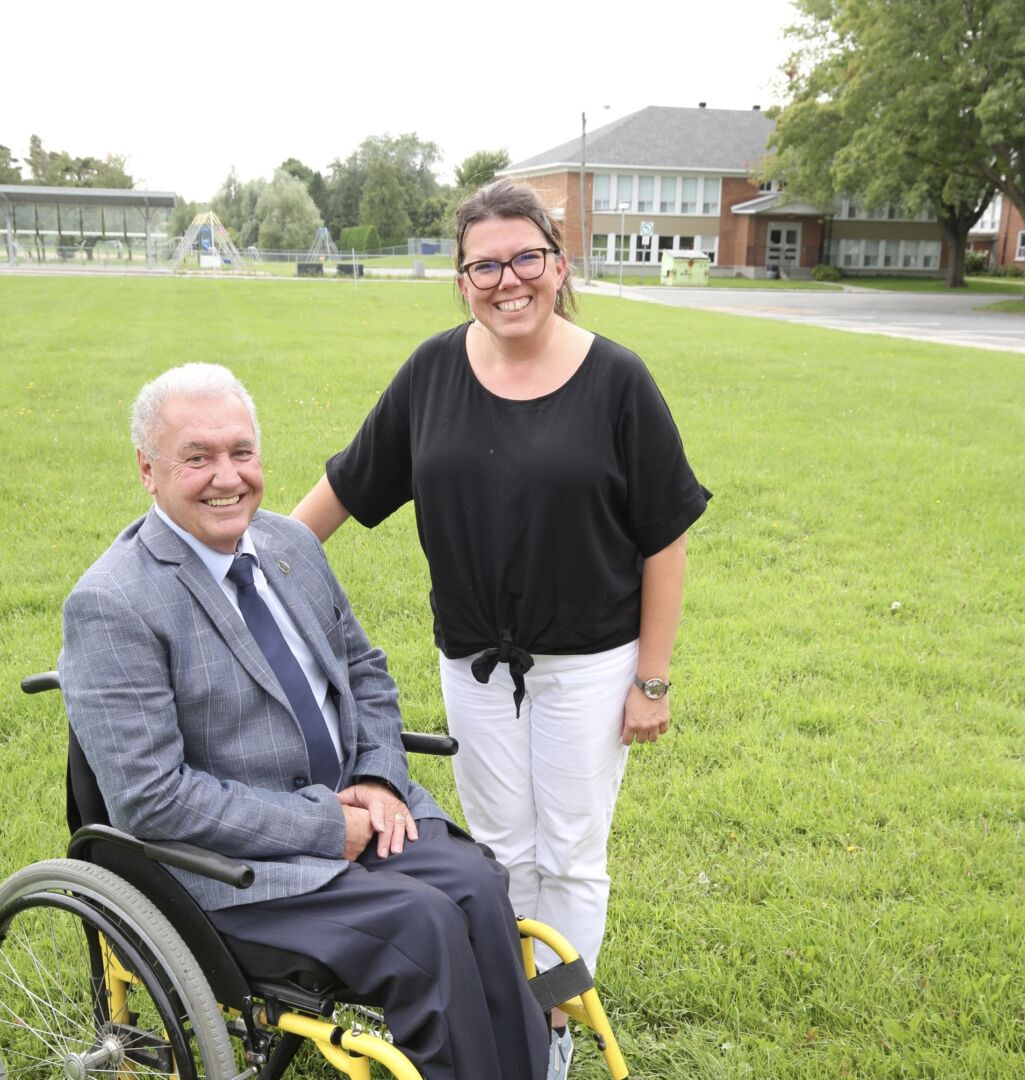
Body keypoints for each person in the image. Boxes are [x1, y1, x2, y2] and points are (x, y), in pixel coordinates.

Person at [292, 180, 711, 1078]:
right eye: (484, 264)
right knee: (498, 854)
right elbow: (342, 493)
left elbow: (663, 542)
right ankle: (513, 1016)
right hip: (474, 667)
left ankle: (551, 1030)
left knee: (568, 855)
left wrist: (652, 678)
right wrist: (251, 566)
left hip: (591, 667)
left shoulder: (616, 380)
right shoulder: (433, 372)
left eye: (525, 257)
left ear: (558, 265)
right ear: (462, 277)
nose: (506, 279)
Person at [58, 362, 549, 1080]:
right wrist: (326, 826)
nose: (227, 477)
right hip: (234, 870)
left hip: (360, 809)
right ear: (148, 470)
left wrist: (380, 776)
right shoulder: (114, 603)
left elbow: (365, 672)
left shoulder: (290, 545)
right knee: (426, 927)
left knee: (477, 882)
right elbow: (151, 799)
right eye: (197, 458)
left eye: (241, 452)